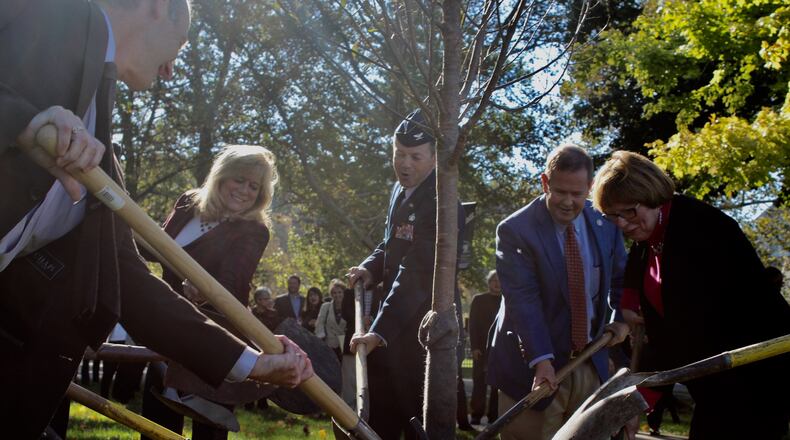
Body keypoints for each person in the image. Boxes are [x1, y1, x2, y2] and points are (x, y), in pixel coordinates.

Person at [0, 1, 311, 436]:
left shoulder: (101, 154)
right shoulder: (49, 12)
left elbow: (127, 280)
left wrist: (250, 362)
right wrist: (19, 120)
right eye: (181, 44)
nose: (171, 71)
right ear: (156, 7)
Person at [592, 151, 790, 439]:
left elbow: (688, 331)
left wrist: (641, 396)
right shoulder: (648, 240)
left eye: (629, 211)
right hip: (715, 387)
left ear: (651, 195)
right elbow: (659, 325)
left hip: (756, 380)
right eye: (613, 217)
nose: (622, 224)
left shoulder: (699, 228)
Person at [487, 145, 629, 440]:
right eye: (560, 191)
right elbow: (524, 301)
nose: (568, 202)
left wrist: (620, 320)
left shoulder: (606, 223)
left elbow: (621, 281)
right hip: (533, 368)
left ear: (590, 187)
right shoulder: (515, 230)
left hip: (590, 360)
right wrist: (541, 360)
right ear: (545, 182)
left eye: (577, 194)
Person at [141, 144, 278, 440]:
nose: (244, 190)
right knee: (156, 427)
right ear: (221, 176)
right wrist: (122, 218)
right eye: (238, 180)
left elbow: (234, 281)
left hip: (216, 335)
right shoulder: (189, 202)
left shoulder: (253, 230)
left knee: (209, 431)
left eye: (254, 186)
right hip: (165, 325)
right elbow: (156, 249)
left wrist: (205, 291)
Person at [349, 108, 463, 440]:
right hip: (392, 331)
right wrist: (369, 267)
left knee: (417, 422)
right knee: (381, 420)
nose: (404, 163)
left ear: (434, 159)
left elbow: (415, 271)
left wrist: (378, 331)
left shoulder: (441, 202)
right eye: (399, 153)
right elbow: (392, 244)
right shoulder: (399, 190)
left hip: (422, 336)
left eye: (415, 156)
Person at [468, 270, 502, 425]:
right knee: (479, 383)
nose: (497, 283)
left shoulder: (506, 301)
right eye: (494, 280)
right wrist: (474, 347)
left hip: (500, 348)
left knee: (498, 385)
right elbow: (472, 325)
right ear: (489, 282)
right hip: (480, 349)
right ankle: (476, 414)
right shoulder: (478, 300)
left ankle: (494, 416)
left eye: (500, 280)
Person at [315, 279, 348, 362]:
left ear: (344, 293)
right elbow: (319, 324)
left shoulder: (350, 307)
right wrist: (321, 339)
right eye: (334, 293)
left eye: (340, 292)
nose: (337, 295)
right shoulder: (325, 307)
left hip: (345, 345)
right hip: (329, 345)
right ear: (331, 294)